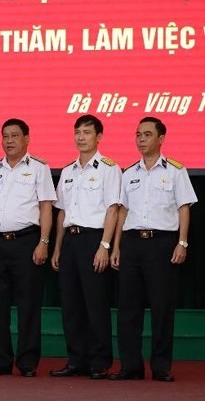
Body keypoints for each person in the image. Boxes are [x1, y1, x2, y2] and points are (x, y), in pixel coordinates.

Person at [109, 117, 197, 382]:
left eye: (147, 134)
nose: (141, 139)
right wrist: (116, 246)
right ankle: (130, 367)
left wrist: (182, 242)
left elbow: (184, 208)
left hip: (162, 244)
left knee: (161, 308)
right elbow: (122, 211)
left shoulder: (175, 171)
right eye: (138, 135)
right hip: (132, 243)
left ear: (161, 138)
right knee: (128, 309)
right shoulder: (129, 173)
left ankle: (160, 367)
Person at [0, 119, 56, 378]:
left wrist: (44, 242)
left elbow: (46, 207)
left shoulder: (39, 168)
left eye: (14, 136)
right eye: (5, 136)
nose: (9, 141)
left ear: (26, 139)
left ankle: (27, 362)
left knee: (28, 305)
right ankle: (0, 360)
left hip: (26, 242)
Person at [50, 114, 121, 380]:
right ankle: (76, 360)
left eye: (87, 132)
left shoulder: (109, 168)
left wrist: (105, 245)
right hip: (70, 240)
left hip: (94, 239)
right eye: (77, 132)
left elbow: (113, 209)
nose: (81, 137)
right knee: (71, 304)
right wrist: (57, 248)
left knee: (95, 303)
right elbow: (61, 212)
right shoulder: (67, 171)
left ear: (99, 137)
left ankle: (99, 361)